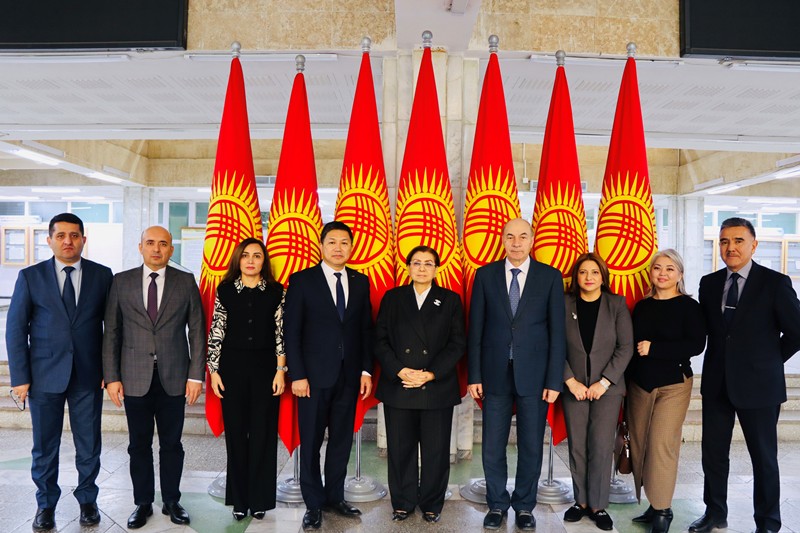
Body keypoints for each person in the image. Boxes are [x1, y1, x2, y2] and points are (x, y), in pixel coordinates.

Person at [690, 217, 800, 533]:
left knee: (763, 458)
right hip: (717, 384)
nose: (731, 247)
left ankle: (768, 522)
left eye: (738, 240)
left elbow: (797, 331)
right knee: (713, 455)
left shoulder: (775, 283)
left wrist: (769, 361)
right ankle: (714, 513)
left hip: (760, 386)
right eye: (725, 241)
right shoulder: (709, 284)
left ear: (754, 245)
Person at [5, 213, 112, 532]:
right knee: (44, 445)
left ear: (83, 239)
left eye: (74, 235)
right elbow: (16, 329)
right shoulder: (30, 277)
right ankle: (46, 504)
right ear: (49, 240)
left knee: (89, 444)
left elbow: (112, 328)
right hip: (43, 376)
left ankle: (88, 501)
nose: (68, 241)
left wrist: (110, 370)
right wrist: (20, 378)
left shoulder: (102, 275)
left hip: (88, 374)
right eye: (61, 235)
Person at [102, 226, 206, 529]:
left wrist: (196, 377)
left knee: (172, 444)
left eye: (163, 244)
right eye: (150, 243)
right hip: (133, 377)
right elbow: (112, 331)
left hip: (174, 377)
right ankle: (143, 502)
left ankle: (172, 500)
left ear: (171, 249)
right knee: (138, 444)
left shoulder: (185, 281)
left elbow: (197, 331)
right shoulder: (121, 282)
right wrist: (112, 377)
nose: (156, 249)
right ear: (140, 247)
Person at [467, 217, 566, 531]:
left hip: (535, 377)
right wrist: (474, 375)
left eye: (523, 236)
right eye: (510, 236)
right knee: (493, 445)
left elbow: (557, 333)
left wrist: (554, 380)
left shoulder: (549, 277)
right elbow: (475, 329)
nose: (516, 242)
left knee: (531, 445)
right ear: (502, 240)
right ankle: (497, 504)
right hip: (494, 374)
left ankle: (524, 506)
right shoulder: (485, 275)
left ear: (532, 240)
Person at [284, 220, 373, 530]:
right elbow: (291, 331)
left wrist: (365, 369)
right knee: (310, 442)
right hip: (311, 379)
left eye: (344, 242)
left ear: (352, 247)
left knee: (340, 441)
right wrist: (297, 375)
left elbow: (365, 330)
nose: (338, 247)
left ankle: (335, 496)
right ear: (321, 246)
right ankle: (313, 503)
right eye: (332, 242)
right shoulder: (302, 281)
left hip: (349, 377)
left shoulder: (360, 282)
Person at [374, 245, 466, 523]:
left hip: (435, 386)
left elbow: (457, 343)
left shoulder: (449, 300)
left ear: (437, 269)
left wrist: (430, 373)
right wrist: (400, 370)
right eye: (417, 262)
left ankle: (432, 503)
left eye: (428, 263)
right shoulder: (393, 298)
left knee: (435, 451)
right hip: (399, 384)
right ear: (408, 267)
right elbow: (380, 340)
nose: (422, 268)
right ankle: (402, 501)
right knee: (400, 449)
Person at [206, 238, 286, 521]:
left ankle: (260, 499)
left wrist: (281, 370)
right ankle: (239, 501)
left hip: (267, 371)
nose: (251, 261)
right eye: (246, 256)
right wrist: (213, 371)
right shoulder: (226, 290)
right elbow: (216, 331)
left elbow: (281, 333)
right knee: (237, 436)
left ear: (264, 261)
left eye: (257, 256)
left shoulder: (277, 291)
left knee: (263, 436)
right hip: (232, 371)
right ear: (238, 260)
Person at [628, 249, 706, 533]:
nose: (662, 273)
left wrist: (654, 349)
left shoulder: (689, 306)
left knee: (662, 444)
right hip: (639, 385)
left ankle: (663, 509)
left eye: (669, 269)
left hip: (673, 384)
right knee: (641, 444)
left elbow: (696, 345)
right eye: (657, 268)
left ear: (680, 274)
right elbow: (631, 347)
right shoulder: (642, 306)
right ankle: (653, 501)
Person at [561, 253, 633, 531]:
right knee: (578, 446)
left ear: (603, 276)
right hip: (574, 388)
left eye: (594, 272)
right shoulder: (564, 304)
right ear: (576, 277)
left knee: (602, 446)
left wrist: (603, 382)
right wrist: (570, 380)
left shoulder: (616, 304)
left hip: (608, 389)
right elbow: (554, 344)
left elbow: (625, 347)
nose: (588, 277)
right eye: (583, 272)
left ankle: (598, 505)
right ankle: (580, 502)